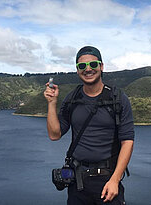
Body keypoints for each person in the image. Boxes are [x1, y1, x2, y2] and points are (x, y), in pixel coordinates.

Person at [44, 46, 135, 204]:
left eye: (93, 65)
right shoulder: (72, 98)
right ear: (77, 70)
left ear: (101, 66)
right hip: (78, 183)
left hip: (107, 180)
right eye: (82, 66)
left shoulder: (118, 99)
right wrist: (52, 103)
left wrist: (114, 180)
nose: (88, 69)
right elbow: (54, 135)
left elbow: (127, 141)